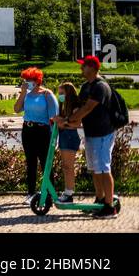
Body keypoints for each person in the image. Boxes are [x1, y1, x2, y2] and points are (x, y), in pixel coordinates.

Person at [56, 55, 116, 218]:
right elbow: (78, 106)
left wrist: (68, 120)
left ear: (93, 68)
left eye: (84, 66)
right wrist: (64, 117)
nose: (81, 69)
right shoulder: (85, 87)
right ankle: (100, 200)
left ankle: (109, 207)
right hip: (91, 133)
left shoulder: (100, 86)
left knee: (104, 168)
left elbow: (87, 108)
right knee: (95, 168)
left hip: (104, 133)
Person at [14, 66, 57, 204]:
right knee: (30, 162)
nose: (26, 82)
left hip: (43, 131)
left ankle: (49, 192)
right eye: (25, 80)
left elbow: (54, 117)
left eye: (29, 80)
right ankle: (30, 193)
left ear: (36, 80)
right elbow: (16, 109)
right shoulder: (26, 94)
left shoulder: (47, 94)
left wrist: (55, 137)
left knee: (45, 162)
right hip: (28, 130)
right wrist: (23, 92)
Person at [53, 82, 82, 203]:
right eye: (59, 93)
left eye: (62, 93)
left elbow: (77, 123)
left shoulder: (75, 106)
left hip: (70, 136)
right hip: (64, 136)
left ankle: (69, 193)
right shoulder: (64, 106)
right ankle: (67, 190)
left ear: (68, 93)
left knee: (68, 166)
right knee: (65, 166)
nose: (60, 96)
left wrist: (63, 123)